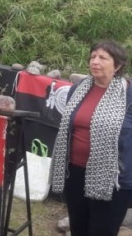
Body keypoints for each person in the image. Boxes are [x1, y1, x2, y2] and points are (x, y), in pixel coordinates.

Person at [51, 40, 132, 236]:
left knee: (101, 231)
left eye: (103, 58)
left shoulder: (128, 95)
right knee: (78, 228)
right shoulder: (78, 90)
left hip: (113, 178)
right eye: (93, 56)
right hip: (75, 173)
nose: (95, 61)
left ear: (118, 65)